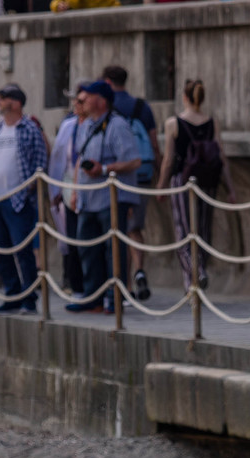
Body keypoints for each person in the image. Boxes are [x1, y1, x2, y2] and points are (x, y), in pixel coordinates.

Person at [64, 80, 139, 315]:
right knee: (87, 248)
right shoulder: (85, 125)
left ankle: (113, 298)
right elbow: (80, 159)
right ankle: (91, 296)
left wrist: (105, 169)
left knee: (112, 250)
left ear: (100, 100)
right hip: (88, 199)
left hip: (111, 200)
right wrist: (75, 191)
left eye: (84, 98)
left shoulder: (117, 126)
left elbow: (134, 160)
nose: (80, 102)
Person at [0, 82, 47, 315]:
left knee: (23, 251)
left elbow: (40, 164)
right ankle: (11, 295)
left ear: (16, 103)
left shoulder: (29, 129)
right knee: (2, 251)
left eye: (3, 98)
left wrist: (27, 192)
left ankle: (29, 298)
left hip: (18, 201)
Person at [158, 77, 229, 291]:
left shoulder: (173, 123)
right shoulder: (212, 122)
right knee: (203, 231)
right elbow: (222, 156)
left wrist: (161, 186)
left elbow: (169, 160)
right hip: (208, 181)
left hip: (182, 181)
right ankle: (193, 282)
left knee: (184, 231)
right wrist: (231, 188)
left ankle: (196, 273)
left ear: (184, 97)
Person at [101, 65, 157, 301]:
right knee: (135, 227)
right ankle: (139, 270)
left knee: (117, 229)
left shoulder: (107, 107)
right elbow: (154, 143)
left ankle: (121, 283)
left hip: (114, 178)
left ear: (106, 82)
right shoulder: (141, 106)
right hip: (142, 174)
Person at [48, 85, 87, 296]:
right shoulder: (68, 125)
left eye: (80, 101)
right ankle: (73, 281)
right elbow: (57, 158)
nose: (75, 105)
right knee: (69, 237)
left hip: (88, 189)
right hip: (66, 186)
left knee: (87, 239)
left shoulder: (94, 125)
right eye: (74, 101)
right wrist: (54, 189)